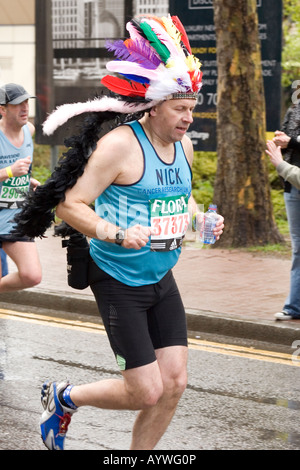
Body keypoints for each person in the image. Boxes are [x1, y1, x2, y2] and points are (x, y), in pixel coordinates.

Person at [13, 16, 224, 450]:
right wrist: (113, 231)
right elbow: (70, 204)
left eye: (192, 107)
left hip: (161, 278)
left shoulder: (183, 146)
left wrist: (201, 219)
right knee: (145, 390)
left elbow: (182, 198)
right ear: (154, 105)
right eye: (180, 108)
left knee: (175, 383)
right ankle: (63, 397)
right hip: (117, 279)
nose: (190, 117)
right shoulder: (121, 146)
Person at [0, 83, 42, 291]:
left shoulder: (29, 131)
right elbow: (12, 170)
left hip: (15, 215)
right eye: (17, 104)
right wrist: (9, 172)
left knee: (31, 275)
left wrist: (28, 181)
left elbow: (23, 168)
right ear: (3, 109)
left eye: (26, 102)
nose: (24, 108)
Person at [266, 99, 300, 321]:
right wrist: (282, 140)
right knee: (298, 249)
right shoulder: (295, 108)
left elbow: (294, 141)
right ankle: (294, 307)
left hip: (291, 172)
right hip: (292, 184)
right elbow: (288, 137)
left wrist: (293, 142)